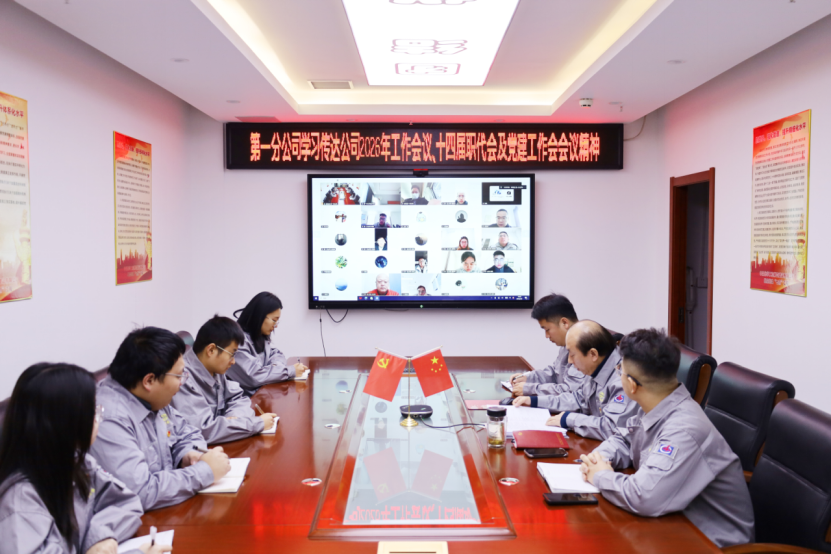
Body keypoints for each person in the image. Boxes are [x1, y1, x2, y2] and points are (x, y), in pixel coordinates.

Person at [580, 329, 754, 548]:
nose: (618, 375)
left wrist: (601, 476)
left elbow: (643, 496)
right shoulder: (656, 402)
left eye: (619, 370)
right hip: (671, 520)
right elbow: (625, 439)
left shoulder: (684, 429)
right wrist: (598, 458)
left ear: (632, 385)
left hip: (710, 542)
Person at [0, 363, 169, 554]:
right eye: (92, 410)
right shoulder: (21, 502)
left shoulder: (77, 461)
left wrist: (100, 536)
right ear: (66, 422)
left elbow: (127, 502)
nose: (98, 417)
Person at [91, 327, 232, 511]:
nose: (182, 383)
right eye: (179, 375)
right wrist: (204, 472)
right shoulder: (108, 418)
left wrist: (187, 455)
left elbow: (187, 432)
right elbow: (139, 493)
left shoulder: (152, 397)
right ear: (149, 381)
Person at [513, 320, 638, 440]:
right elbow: (578, 399)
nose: (569, 361)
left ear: (593, 354)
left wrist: (569, 420)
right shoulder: (596, 367)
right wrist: (534, 401)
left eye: (572, 355)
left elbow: (611, 427)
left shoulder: (623, 379)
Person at [171, 316, 277, 444]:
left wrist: (234, 420)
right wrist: (256, 424)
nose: (233, 361)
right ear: (211, 350)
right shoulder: (183, 379)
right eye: (231, 354)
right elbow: (204, 430)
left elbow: (237, 398)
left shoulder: (214, 368)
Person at [226, 292, 308, 396]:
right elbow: (254, 377)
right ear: (259, 316)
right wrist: (289, 371)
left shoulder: (259, 336)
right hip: (244, 400)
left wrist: (274, 369)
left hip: (261, 395)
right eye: (274, 320)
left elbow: (277, 354)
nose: (276, 325)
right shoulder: (237, 341)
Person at [510, 293, 585, 397]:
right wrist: (528, 378)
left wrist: (531, 389)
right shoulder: (567, 342)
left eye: (547, 329)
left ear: (564, 323)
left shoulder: (586, 345)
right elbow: (554, 373)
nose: (546, 336)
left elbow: (570, 392)